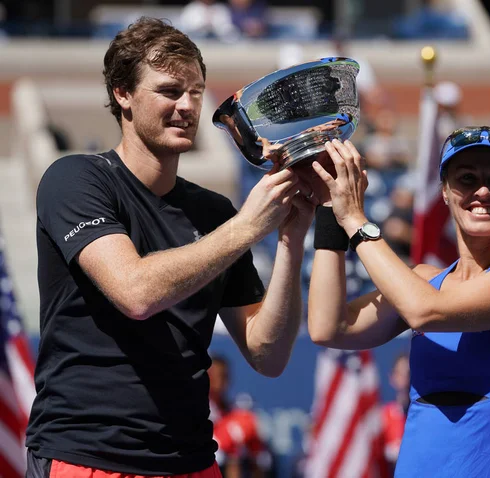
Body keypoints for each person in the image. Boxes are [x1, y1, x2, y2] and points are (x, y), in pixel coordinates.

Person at [25, 17, 316, 478]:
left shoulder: (214, 212)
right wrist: (246, 227)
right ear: (123, 93)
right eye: (169, 91)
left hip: (193, 460)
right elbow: (134, 292)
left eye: (196, 91)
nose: (187, 106)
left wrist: (290, 240)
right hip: (88, 458)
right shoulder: (75, 178)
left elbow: (269, 355)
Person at [306, 127, 490, 477]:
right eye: (467, 178)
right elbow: (329, 327)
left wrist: (355, 219)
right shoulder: (424, 279)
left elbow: (425, 311)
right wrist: (328, 212)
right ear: (444, 191)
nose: (483, 190)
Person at [208, 355, 274, 477]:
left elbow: (262, 457)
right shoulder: (196, 413)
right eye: (215, 375)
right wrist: (231, 437)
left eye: (224, 375)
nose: (221, 380)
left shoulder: (239, 414)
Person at [381, 352, 410, 475]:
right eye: (401, 374)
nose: (406, 379)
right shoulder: (383, 417)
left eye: (409, 374)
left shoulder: (426, 419)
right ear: (392, 377)